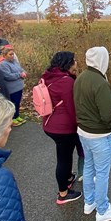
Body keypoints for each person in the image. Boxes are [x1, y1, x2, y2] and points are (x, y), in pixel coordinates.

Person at [73, 46, 111, 221]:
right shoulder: (100, 83)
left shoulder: (81, 78)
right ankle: (102, 210)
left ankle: (89, 202)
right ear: (103, 60)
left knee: (88, 167)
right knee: (102, 173)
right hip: (99, 135)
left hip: (83, 132)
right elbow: (108, 116)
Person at [41, 51, 83, 205]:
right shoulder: (66, 82)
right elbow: (72, 109)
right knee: (63, 159)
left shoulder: (48, 75)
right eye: (74, 60)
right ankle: (63, 194)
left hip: (49, 123)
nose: (76, 63)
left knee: (64, 155)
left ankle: (67, 178)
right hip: (63, 128)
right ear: (68, 63)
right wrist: (78, 125)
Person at [0, 46, 27, 126]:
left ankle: (17, 115)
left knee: (17, 103)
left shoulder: (14, 61)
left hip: (19, 87)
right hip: (12, 89)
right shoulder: (3, 64)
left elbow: (21, 69)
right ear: (4, 55)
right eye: (10, 54)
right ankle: (12, 118)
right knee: (13, 103)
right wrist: (19, 75)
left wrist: (24, 72)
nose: (12, 56)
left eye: (13, 54)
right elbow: (8, 76)